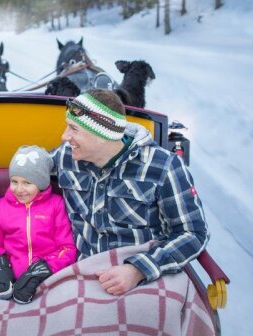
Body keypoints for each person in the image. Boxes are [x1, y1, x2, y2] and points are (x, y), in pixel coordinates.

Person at [52, 89, 209, 295]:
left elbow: (193, 233)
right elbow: (29, 170)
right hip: (82, 272)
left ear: (103, 134)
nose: (64, 136)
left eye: (73, 128)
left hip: (145, 279)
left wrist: (137, 270)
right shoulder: (65, 157)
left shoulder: (164, 167)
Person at [0, 145, 77, 304]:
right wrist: (1, 268)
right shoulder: (1, 207)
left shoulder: (55, 205)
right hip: (12, 276)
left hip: (48, 276)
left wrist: (42, 270)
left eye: (27, 182)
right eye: (14, 181)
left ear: (41, 183)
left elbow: (67, 248)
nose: (19, 189)